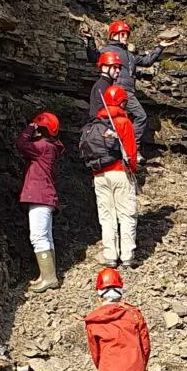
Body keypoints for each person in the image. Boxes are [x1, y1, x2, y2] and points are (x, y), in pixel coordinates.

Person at [82, 82, 138, 266]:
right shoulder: (123, 122)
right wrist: (133, 171)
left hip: (99, 175)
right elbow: (130, 152)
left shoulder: (95, 124)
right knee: (126, 214)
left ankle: (110, 255)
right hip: (120, 172)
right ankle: (128, 255)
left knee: (107, 216)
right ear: (122, 102)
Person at [16, 110, 63, 292]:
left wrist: (29, 127)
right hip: (45, 196)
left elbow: (21, 144)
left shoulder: (42, 147)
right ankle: (46, 276)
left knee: (38, 237)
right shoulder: (50, 147)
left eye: (37, 128)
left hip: (39, 196)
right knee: (46, 237)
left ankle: (49, 278)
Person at [90, 50, 148, 150]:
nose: (118, 71)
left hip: (101, 130)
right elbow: (102, 112)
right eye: (114, 67)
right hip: (103, 131)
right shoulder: (103, 86)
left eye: (119, 68)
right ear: (104, 67)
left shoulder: (106, 85)